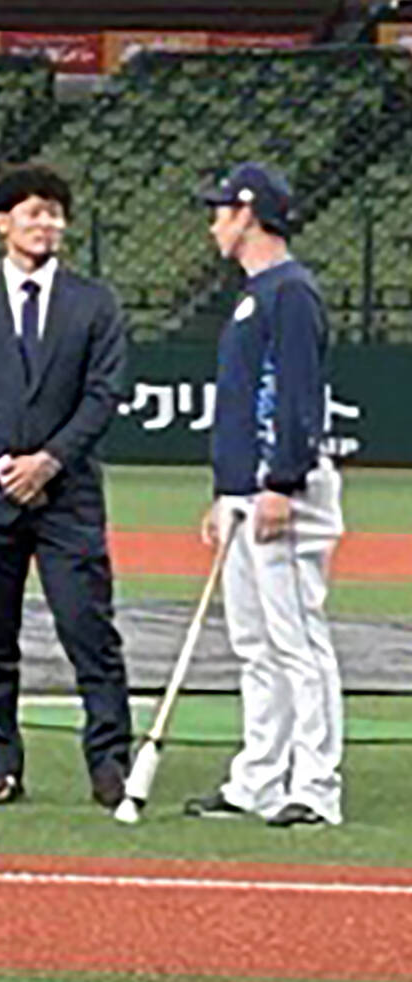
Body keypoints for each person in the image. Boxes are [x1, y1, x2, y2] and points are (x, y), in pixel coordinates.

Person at [0, 163, 132, 808]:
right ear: (2, 223)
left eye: (54, 213)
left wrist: (49, 461)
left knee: (88, 630)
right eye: (33, 212)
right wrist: (1, 464)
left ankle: (109, 763)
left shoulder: (94, 303)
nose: (46, 224)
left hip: (68, 497)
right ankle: (0, 764)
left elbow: (103, 394)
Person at [185, 162, 344, 827]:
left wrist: (281, 480)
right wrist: (227, 492)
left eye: (221, 211)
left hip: (284, 489)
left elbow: (298, 394)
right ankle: (258, 779)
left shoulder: (290, 291)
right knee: (254, 643)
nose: (213, 225)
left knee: (297, 639)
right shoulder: (258, 293)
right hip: (247, 490)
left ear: (248, 214)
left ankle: (316, 786)